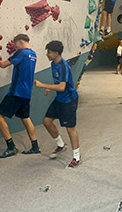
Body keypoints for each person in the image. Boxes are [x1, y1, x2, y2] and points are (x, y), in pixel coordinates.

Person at [0, 34, 39, 158]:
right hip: (27, 92)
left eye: (15, 44)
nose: (14, 47)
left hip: (16, 92)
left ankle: (11, 147)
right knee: (25, 118)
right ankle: (35, 146)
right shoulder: (33, 54)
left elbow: (4, 64)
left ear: (20, 42)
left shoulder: (21, 53)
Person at [34, 41, 81, 169]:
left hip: (69, 100)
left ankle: (76, 157)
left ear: (56, 53)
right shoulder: (53, 64)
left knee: (70, 129)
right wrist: (51, 88)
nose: (47, 54)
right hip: (60, 98)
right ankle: (61, 145)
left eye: (48, 52)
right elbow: (59, 83)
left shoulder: (63, 66)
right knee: (46, 121)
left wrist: (43, 85)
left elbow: (62, 87)